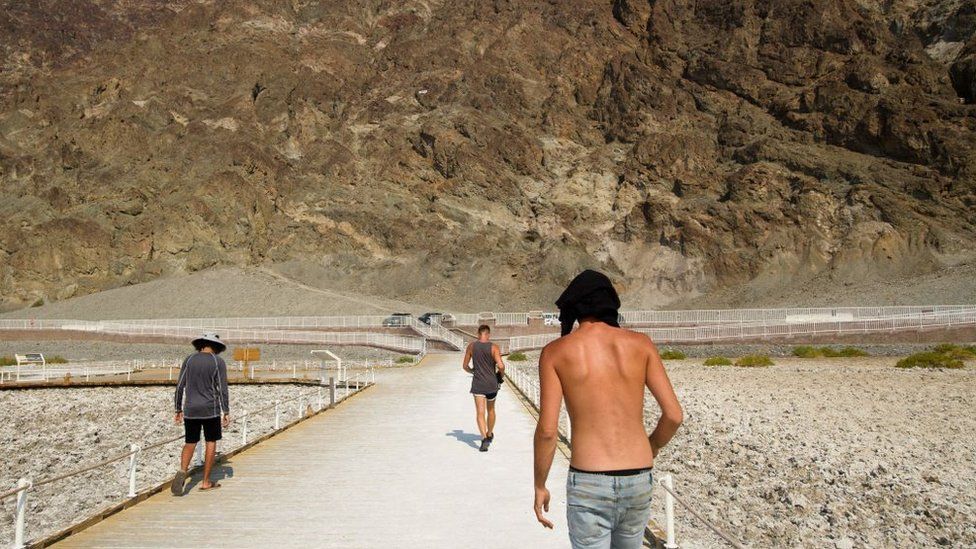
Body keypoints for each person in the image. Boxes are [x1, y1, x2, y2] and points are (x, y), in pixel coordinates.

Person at [533, 270, 683, 549]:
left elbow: (547, 431)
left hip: (589, 481)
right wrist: (652, 445)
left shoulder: (555, 353)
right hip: (638, 477)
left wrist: (539, 484)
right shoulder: (641, 344)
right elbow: (674, 415)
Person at [172, 333, 231, 495]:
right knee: (211, 442)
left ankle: (183, 471)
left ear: (200, 345)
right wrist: (226, 411)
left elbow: (180, 386)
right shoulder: (217, 362)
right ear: (216, 346)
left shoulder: (189, 359)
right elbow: (222, 389)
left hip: (190, 409)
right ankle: (205, 482)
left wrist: (178, 409)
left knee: (190, 442)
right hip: (210, 409)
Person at [462, 324, 505, 452]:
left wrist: (473, 371)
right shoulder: (494, 347)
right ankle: (490, 433)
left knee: (480, 413)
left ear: (478, 334)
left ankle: (484, 438)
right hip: (491, 384)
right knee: (491, 410)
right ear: (488, 334)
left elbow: (464, 366)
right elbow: (501, 366)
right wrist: (500, 377)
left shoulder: (471, 346)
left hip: (478, 384)